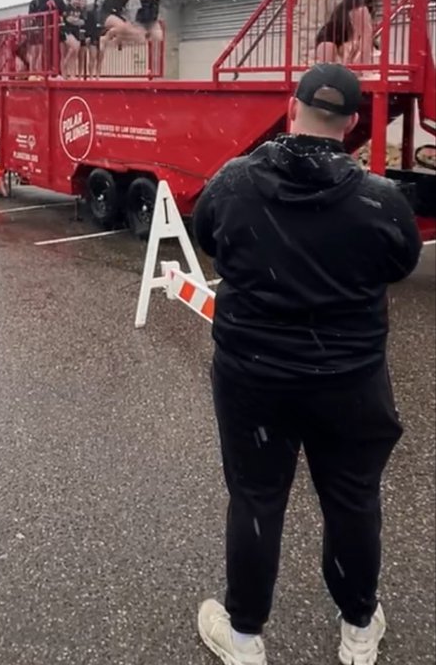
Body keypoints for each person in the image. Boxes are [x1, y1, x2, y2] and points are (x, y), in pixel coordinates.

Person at [193, 63, 421, 665]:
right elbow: (400, 263)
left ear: (290, 108)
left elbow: (207, 234)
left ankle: (243, 639)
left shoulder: (234, 182)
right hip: (349, 383)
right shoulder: (380, 200)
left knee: (256, 498)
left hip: (254, 378)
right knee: (352, 498)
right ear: (350, 125)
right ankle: (357, 630)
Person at [17, 0, 68, 72]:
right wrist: (62, 9)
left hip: (42, 25)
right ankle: (38, 71)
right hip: (44, 24)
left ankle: (36, 71)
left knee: (39, 51)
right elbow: (57, 3)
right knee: (39, 51)